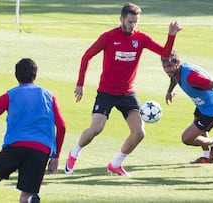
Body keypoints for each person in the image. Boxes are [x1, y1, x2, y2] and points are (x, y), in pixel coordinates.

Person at [64, 2, 181, 176]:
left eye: (135, 22)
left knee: (139, 133)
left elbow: (164, 52)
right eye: (130, 21)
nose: (132, 25)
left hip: (127, 93)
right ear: (121, 19)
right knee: (96, 128)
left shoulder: (141, 39)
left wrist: (171, 36)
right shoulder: (108, 37)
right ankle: (74, 153)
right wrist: (80, 84)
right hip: (106, 91)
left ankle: (116, 164)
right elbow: (86, 56)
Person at [0, 58, 66, 203]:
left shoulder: (8, 96)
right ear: (35, 75)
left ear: (16, 75)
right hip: (41, 149)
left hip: (15, 147)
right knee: (26, 196)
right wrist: (56, 156)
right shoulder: (49, 96)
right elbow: (62, 127)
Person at [161, 50, 213, 164]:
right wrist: (169, 91)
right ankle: (207, 157)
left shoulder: (191, 77)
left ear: (177, 62)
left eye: (169, 66)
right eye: (164, 67)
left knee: (187, 138)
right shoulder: (178, 71)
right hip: (202, 105)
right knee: (200, 132)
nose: (167, 70)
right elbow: (174, 78)